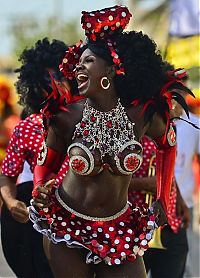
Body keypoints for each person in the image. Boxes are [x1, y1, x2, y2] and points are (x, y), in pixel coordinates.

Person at [30, 6, 194, 278]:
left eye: (88, 61)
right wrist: (40, 190)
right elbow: (45, 166)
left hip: (121, 228)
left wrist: (164, 197)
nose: (78, 67)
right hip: (67, 224)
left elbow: (168, 145)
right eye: (78, 63)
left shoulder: (142, 115)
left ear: (111, 68)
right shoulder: (66, 116)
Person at [0, 37, 70, 278]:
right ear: (34, 86)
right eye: (46, 81)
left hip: (90, 228)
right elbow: (7, 175)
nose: (55, 86)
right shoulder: (27, 127)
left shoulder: (94, 122)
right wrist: (11, 203)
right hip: (44, 229)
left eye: (60, 78)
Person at [129, 135, 190, 278]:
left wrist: (180, 200)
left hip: (170, 225)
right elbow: (107, 180)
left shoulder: (168, 132)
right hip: (133, 230)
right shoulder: (125, 131)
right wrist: (148, 184)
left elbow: (169, 171)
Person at [174, 95, 200, 278]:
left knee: (185, 255)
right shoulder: (151, 120)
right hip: (152, 202)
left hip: (185, 203)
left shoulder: (195, 124)